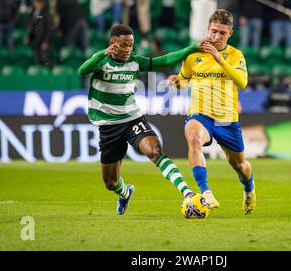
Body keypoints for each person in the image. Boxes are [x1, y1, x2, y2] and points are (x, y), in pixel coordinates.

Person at [78, 24, 200, 215]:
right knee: (110, 183)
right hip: (108, 127)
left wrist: (191, 49)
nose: (128, 50)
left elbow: (164, 59)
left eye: (131, 45)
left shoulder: (135, 61)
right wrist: (102, 53)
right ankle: (125, 192)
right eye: (124, 45)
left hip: (132, 119)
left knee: (155, 151)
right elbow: (82, 70)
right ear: (113, 44)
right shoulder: (101, 62)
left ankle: (188, 193)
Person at [168, 9, 256, 215]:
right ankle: (206, 193)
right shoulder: (193, 54)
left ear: (230, 34)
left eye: (222, 33)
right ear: (208, 28)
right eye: (214, 31)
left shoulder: (235, 55)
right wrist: (177, 82)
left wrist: (219, 59)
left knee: (240, 165)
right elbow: (185, 79)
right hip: (201, 113)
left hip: (226, 118)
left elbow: (242, 82)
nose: (216, 37)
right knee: (193, 137)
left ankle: (249, 188)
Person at [25, 0, 54, 66]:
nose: (34, 4)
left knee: (45, 59)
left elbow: (49, 29)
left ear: (41, 3)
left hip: (43, 40)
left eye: (36, 2)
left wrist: (46, 41)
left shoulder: (46, 13)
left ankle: (50, 73)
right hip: (36, 40)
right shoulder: (35, 12)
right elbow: (33, 26)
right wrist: (29, 37)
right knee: (37, 59)